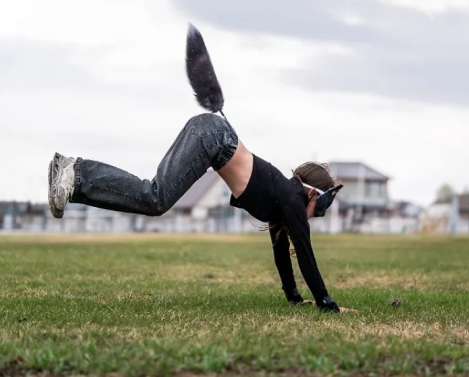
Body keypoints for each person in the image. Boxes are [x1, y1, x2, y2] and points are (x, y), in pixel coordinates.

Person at [47, 24, 347, 313]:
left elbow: (282, 253)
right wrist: (327, 303)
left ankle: (72, 182)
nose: (314, 217)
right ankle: (76, 173)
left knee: (154, 199)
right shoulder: (293, 197)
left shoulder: (282, 201)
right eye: (319, 209)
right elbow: (305, 254)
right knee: (155, 199)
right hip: (212, 137)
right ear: (311, 193)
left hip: (210, 135)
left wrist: (294, 298)